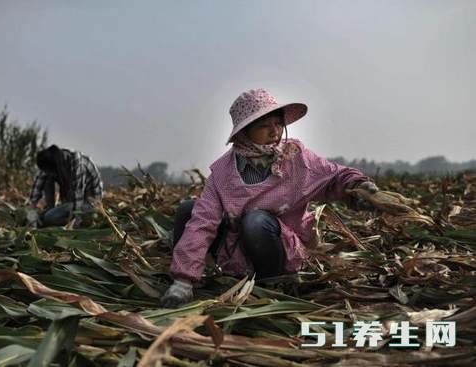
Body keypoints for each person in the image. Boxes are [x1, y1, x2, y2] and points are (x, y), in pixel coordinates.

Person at [161, 88, 378, 308]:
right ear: (244, 132)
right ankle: (192, 278)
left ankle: (273, 283)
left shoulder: (295, 157)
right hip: (237, 249)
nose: (274, 132)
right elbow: (203, 222)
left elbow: (334, 176)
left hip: (280, 247)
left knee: (255, 221)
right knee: (190, 209)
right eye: (264, 126)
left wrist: (358, 188)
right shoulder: (223, 173)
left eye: (277, 124)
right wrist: (183, 281)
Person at [28, 145, 103, 227]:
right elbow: (38, 185)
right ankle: (51, 210)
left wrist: (76, 225)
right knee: (47, 180)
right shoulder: (51, 160)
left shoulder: (77, 165)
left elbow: (78, 200)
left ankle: (72, 221)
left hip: (89, 203)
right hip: (70, 201)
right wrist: (32, 212)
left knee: (49, 218)